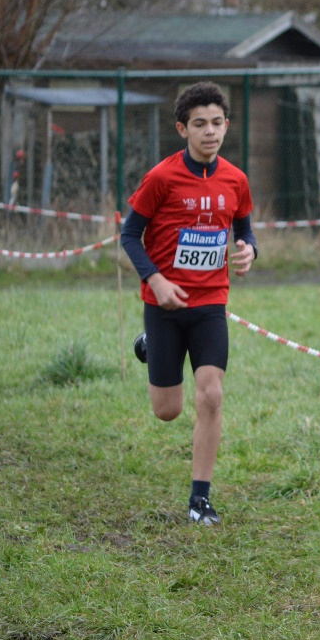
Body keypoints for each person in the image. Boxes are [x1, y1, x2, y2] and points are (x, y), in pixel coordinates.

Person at [120, 81, 257, 526]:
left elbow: (245, 230)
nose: (210, 132)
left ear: (226, 126)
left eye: (217, 123)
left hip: (211, 303)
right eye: (199, 124)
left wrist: (249, 249)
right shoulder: (160, 178)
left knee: (211, 396)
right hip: (164, 306)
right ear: (183, 128)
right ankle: (150, 344)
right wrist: (155, 281)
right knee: (168, 411)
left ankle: (200, 499)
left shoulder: (236, 180)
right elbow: (128, 235)